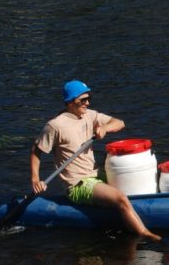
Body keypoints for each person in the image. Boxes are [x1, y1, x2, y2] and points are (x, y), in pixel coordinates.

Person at [30, 80, 162, 241]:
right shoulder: (55, 126)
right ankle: (144, 234)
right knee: (121, 198)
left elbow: (120, 123)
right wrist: (36, 179)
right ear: (71, 101)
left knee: (130, 187)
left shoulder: (89, 115)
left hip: (96, 175)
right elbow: (36, 150)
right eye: (83, 100)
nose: (87, 103)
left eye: (89, 98)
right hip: (78, 184)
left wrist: (104, 128)